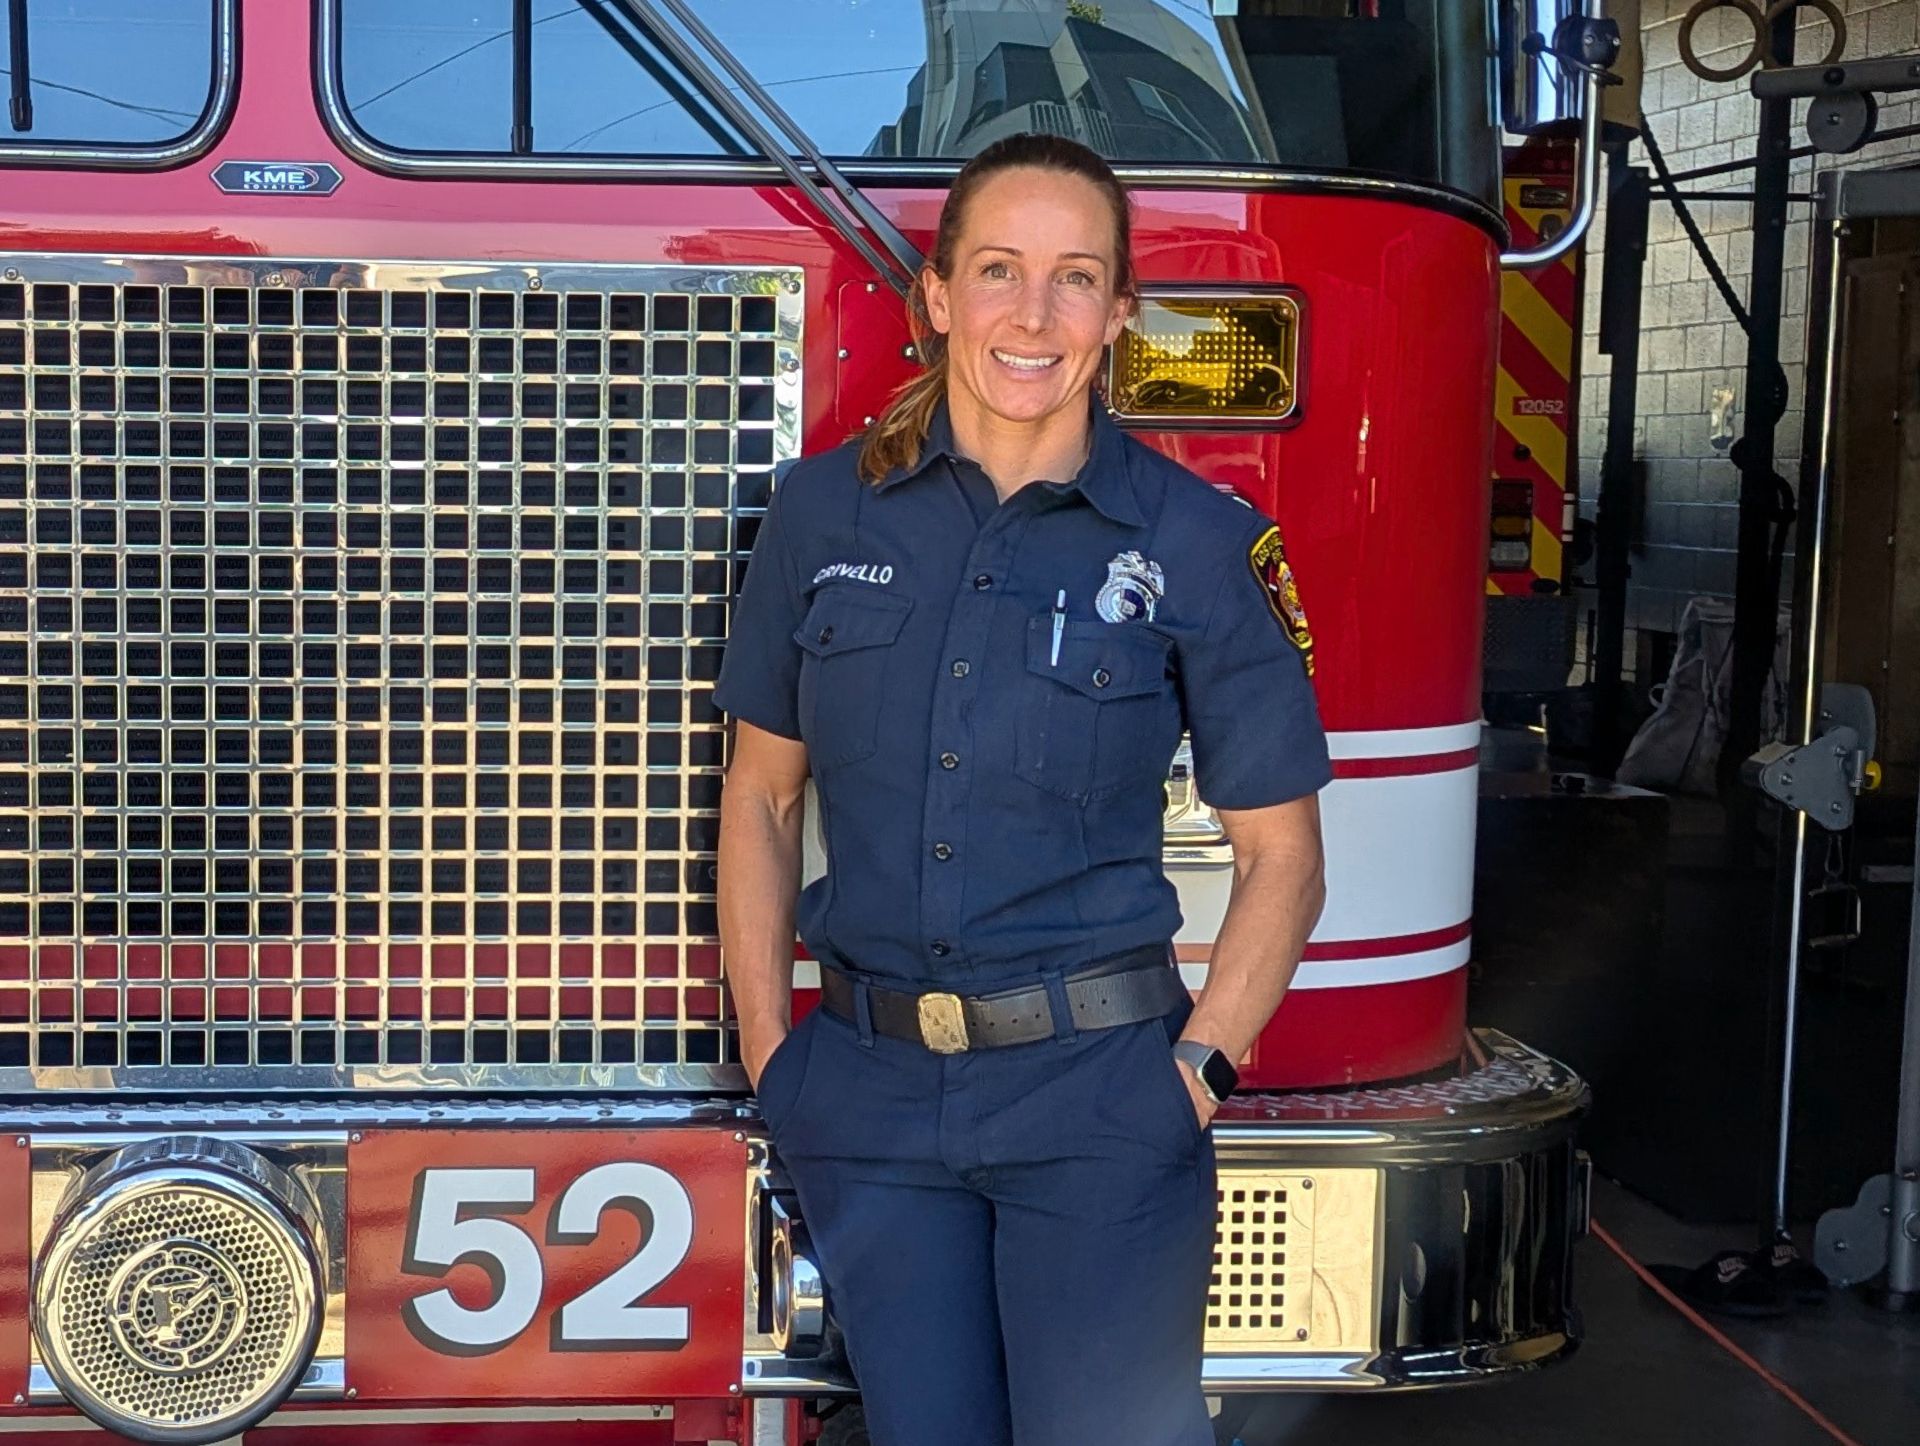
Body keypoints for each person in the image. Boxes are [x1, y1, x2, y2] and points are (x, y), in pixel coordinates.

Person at [714, 132, 1329, 1446]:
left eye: (1073, 278)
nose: (1031, 314)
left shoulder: (1198, 546)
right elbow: (762, 798)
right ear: (938, 297)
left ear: (1117, 313)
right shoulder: (823, 518)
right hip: (869, 1101)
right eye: (997, 271)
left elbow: (1285, 852)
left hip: (1100, 1102)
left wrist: (1196, 1070)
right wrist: (776, 1053)